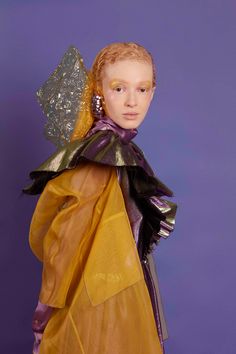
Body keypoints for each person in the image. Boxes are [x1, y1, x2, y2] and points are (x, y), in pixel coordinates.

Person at [24, 42, 177, 354]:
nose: (133, 101)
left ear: (153, 92)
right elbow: (63, 245)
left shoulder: (119, 152)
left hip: (116, 296)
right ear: (99, 90)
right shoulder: (100, 160)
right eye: (119, 88)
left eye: (142, 89)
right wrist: (43, 315)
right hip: (97, 306)